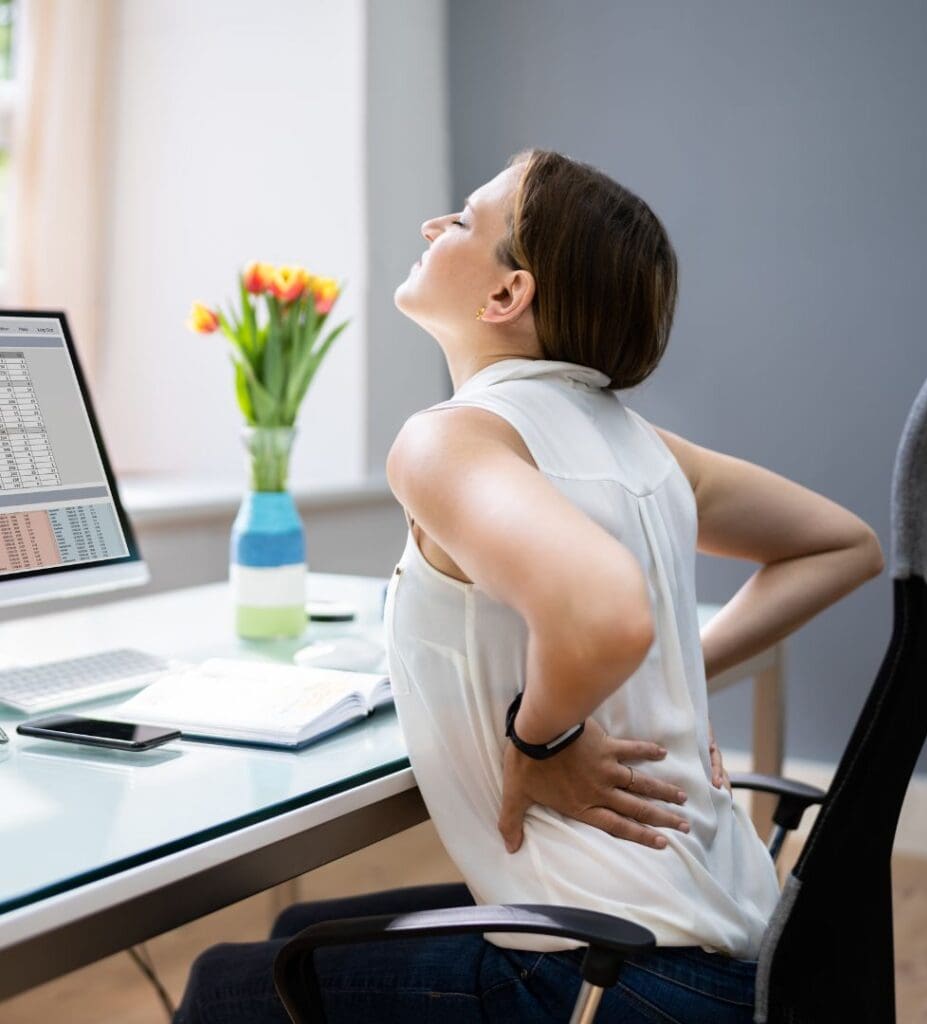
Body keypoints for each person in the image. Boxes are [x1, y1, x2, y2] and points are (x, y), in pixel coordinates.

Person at [175, 149, 884, 1023]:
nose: (436, 225)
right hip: (751, 962)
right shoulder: (645, 446)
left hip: (615, 981)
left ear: (507, 296)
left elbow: (602, 611)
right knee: (306, 927)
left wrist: (539, 742)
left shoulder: (449, 440)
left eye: (466, 219)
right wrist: (670, 677)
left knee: (222, 985)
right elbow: (843, 546)